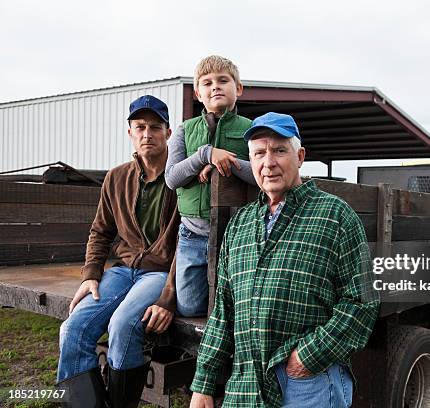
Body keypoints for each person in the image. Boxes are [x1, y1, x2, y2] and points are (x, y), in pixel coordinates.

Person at [189, 112, 380, 407]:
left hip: (308, 381)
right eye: (259, 153)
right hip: (246, 387)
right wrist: (203, 382)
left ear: (300, 156)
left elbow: (362, 301)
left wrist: (308, 355)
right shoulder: (240, 224)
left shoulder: (335, 215)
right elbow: (224, 310)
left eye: (279, 150)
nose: (268, 163)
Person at [57, 95, 181, 408]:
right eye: (140, 127)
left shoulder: (182, 176)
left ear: (168, 132)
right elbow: (101, 231)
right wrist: (91, 274)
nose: (147, 133)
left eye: (155, 127)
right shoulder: (116, 177)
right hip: (123, 271)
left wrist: (169, 293)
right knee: (72, 329)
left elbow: (191, 239)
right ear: (130, 132)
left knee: (123, 324)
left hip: (160, 273)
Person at [165, 55, 255, 317]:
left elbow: (261, 175)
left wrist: (224, 162)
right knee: (190, 307)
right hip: (192, 234)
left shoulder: (252, 129)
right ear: (197, 93)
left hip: (237, 235)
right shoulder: (184, 130)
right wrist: (205, 154)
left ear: (238, 88)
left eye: (223, 80)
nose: (215, 86)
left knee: (235, 306)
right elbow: (172, 178)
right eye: (207, 83)